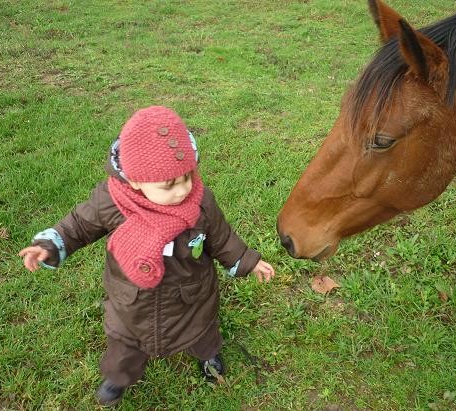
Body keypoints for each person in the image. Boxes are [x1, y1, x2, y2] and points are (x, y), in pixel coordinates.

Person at [18, 106, 275, 406]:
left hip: (190, 295)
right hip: (132, 299)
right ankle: (118, 376)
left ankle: (208, 356)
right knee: (125, 343)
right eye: (169, 185)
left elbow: (222, 237)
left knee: (201, 330)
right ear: (136, 180)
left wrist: (248, 260)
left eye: (187, 177)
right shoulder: (112, 202)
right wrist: (51, 244)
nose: (182, 191)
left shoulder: (201, 203)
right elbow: (78, 225)